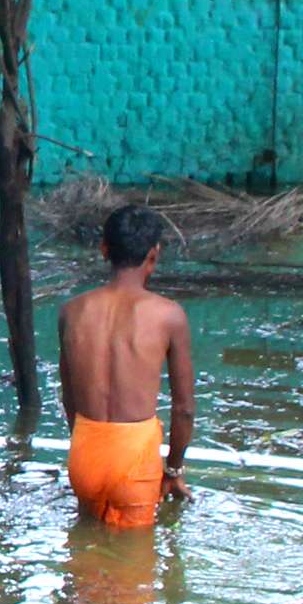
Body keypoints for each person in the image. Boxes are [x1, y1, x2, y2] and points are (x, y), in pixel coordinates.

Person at [57, 203, 194, 528]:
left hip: (85, 451)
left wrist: (88, 448)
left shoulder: (72, 311)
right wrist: (172, 471)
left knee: (84, 559)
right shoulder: (169, 315)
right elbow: (184, 408)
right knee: (132, 568)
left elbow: (69, 399)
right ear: (154, 254)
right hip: (134, 459)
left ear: (104, 249)